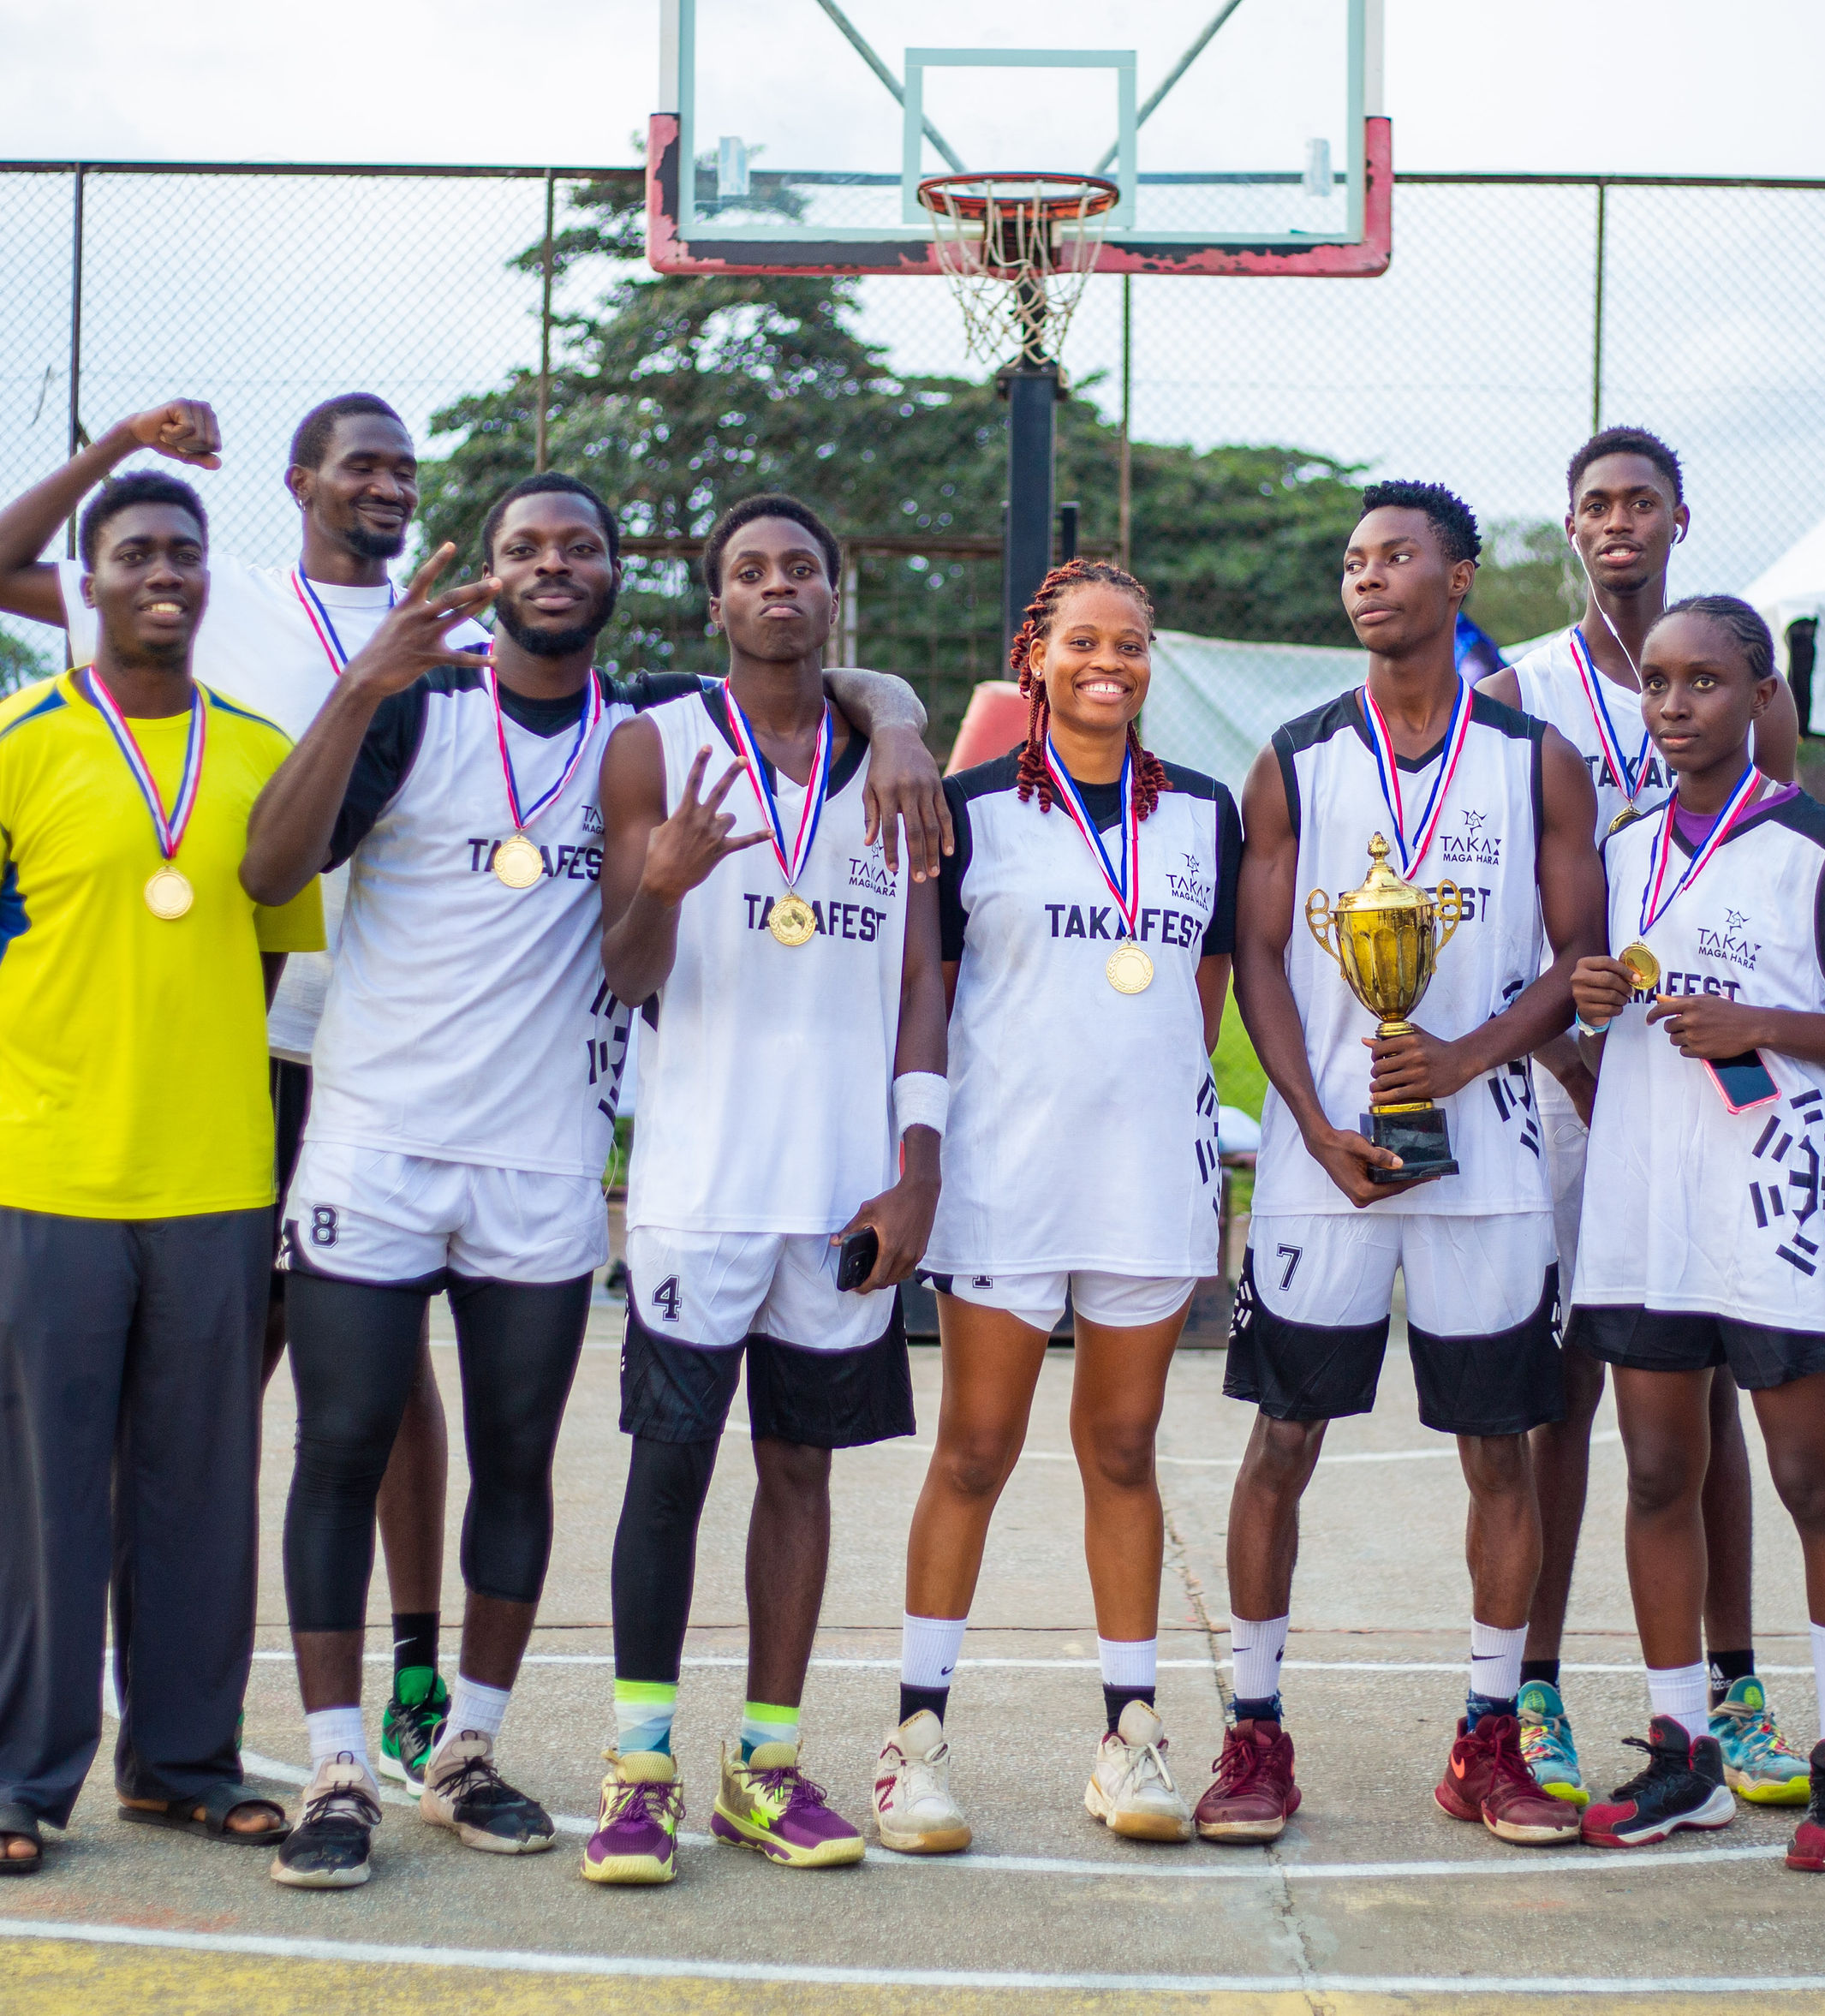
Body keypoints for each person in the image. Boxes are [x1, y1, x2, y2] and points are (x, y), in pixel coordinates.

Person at [233, 473, 947, 1888]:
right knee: (342, 1442)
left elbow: (830, 673)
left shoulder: (677, 719)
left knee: (521, 1459)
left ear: (623, 572)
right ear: (492, 573)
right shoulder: (458, 716)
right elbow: (272, 862)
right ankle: (339, 1760)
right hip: (385, 1141)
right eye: (523, 547)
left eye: (580, 544)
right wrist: (362, 688)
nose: (552, 564)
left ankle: (475, 1749)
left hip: (550, 1155)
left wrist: (909, 715)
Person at [0, 394, 481, 1791]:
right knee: (197, 1397)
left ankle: (414, 1652)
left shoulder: (457, 633)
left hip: (396, 1046)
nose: (388, 484)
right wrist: (120, 443)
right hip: (256, 1048)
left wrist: (881, 697)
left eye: (405, 468)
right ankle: (148, 1690)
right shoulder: (216, 591)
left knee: (384, 1363)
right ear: (301, 480)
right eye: (362, 463)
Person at [0, 470, 325, 1875]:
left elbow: (269, 955)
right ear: (85, 579)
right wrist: (9, 1102)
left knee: (200, 1487)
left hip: (211, 1181)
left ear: (209, 579)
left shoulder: (262, 752)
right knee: (39, 1494)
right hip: (44, 1182)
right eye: (135, 550)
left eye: (185, 553)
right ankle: (15, 1776)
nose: (164, 571)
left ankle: (184, 1758)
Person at [1203, 480, 1600, 1849]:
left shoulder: (1536, 758)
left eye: (1396, 556)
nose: (1368, 578)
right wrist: (1308, 1119)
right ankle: (1254, 1731)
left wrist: (1469, 1053)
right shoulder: (1295, 757)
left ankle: (1489, 1737)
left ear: (1463, 579)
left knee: (1504, 1449)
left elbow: (1580, 962)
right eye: (1355, 560)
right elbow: (1257, 950)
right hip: (1330, 1160)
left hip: (1486, 1152)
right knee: (1282, 1440)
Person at [585, 492, 949, 1885]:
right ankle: (638, 1770)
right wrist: (660, 884)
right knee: (668, 1475)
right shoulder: (654, 745)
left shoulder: (887, 755)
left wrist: (916, 1171)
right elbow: (623, 972)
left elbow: (920, 978)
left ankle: (767, 1763)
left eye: (800, 565)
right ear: (717, 601)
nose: (777, 586)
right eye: (749, 570)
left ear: (834, 593)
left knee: (799, 1472)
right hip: (701, 1185)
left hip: (845, 1191)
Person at [876, 560, 1244, 1853]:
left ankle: (1132, 1738)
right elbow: (936, 987)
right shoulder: (967, 809)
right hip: (1005, 1174)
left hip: (1144, 1177)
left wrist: (1148, 1101)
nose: (1109, 663)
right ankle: (915, 1744)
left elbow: (1203, 994)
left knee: (1127, 1450)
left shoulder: (1205, 812)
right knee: (973, 1450)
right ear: (1035, 656)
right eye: (1082, 641)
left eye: (1131, 644)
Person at [1476, 426, 1811, 1810]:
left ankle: (1729, 1685)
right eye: (1594, 505)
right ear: (1571, 528)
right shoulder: (1522, 684)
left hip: (1694, 1076)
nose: (1618, 522)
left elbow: (1781, 874)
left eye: (1640, 502)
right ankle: (1539, 1688)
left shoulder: (1740, 676)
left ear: (1681, 516)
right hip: (1569, 1079)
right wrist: (1565, 1060)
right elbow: (1498, 895)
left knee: (1704, 1388)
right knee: (1559, 1393)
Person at [1558, 595, 1825, 1869]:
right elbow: (1615, 1010)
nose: (1677, 704)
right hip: (1651, 1196)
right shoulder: (1629, 845)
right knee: (1655, 1471)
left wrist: (1763, 1021)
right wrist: (1594, 999)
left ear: (1762, 695)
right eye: (1657, 682)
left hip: (1774, 1201)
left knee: (1811, 1476)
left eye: (1707, 680)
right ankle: (1682, 1746)